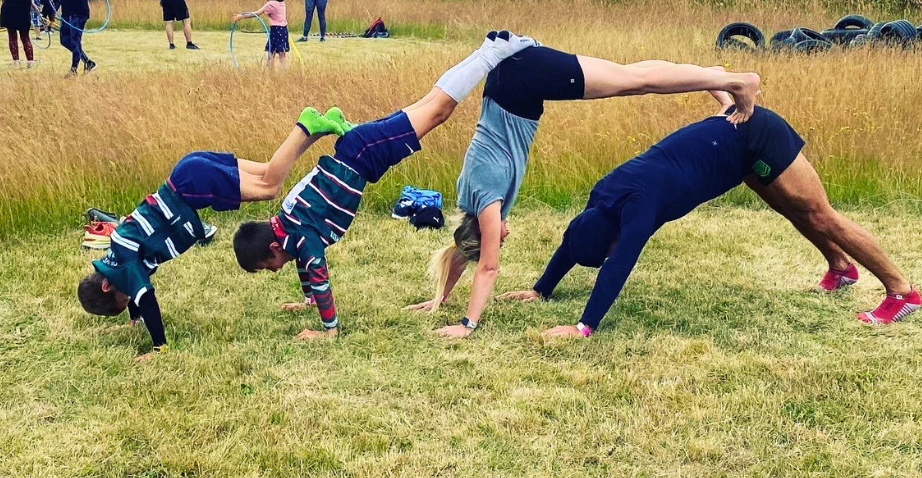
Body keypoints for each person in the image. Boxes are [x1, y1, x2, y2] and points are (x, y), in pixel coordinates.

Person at [500, 91, 921, 338]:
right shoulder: (602, 198)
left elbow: (619, 265)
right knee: (791, 210)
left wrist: (583, 326)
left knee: (818, 214)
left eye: (608, 248)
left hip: (754, 133)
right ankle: (841, 268)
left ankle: (901, 292)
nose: (612, 251)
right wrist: (541, 289)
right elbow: (575, 241)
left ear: (612, 237)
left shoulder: (637, 211)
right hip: (730, 151)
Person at [407, 47, 762, 337]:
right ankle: (715, 79)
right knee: (630, 74)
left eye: (499, 238)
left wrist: (467, 325)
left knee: (635, 81)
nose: (505, 234)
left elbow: (486, 267)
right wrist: (439, 297)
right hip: (512, 77)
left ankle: (735, 82)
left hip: (524, 78)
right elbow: (462, 246)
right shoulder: (471, 200)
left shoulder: (487, 204)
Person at [233, 31, 539, 340]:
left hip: (366, 153)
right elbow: (304, 262)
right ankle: (490, 49)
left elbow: (318, 274)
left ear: (273, 248)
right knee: (433, 103)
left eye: (268, 266)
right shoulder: (290, 230)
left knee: (438, 110)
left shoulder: (298, 237)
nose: (274, 270)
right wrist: (307, 300)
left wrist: (329, 331)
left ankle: (494, 52)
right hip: (360, 149)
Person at [76, 107, 346, 359]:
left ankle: (305, 125)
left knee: (269, 187)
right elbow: (134, 292)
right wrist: (134, 320)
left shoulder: (123, 267)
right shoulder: (117, 255)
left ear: (107, 285)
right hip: (189, 170)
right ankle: (319, 129)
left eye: (123, 297)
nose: (130, 296)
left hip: (192, 184)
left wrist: (159, 348)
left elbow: (144, 297)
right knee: (266, 171)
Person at [0, 0, 47, 68]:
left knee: (12, 36)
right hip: (23, 10)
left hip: (10, 7)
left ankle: (16, 61)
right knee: (25, 36)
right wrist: (34, 7)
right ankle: (30, 61)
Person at [234, 0, 288, 69]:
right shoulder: (282, 4)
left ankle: (270, 73)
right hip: (284, 30)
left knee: (271, 53)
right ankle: (285, 72)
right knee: (282, 54)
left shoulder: (271, 4)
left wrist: (241, 16)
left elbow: (256, 14)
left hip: (276, 30)